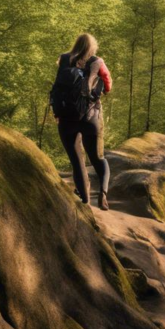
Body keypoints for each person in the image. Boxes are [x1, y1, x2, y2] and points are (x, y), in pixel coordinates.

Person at [53, 33, 112, 210]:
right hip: (90, 117)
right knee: (98, 158)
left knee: (76, 160)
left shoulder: (64, 59)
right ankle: (102, 193)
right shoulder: (97, 61)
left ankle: (84, 200)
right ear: (92, 47)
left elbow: (57, 86)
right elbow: (108, 85)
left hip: (66, 118)